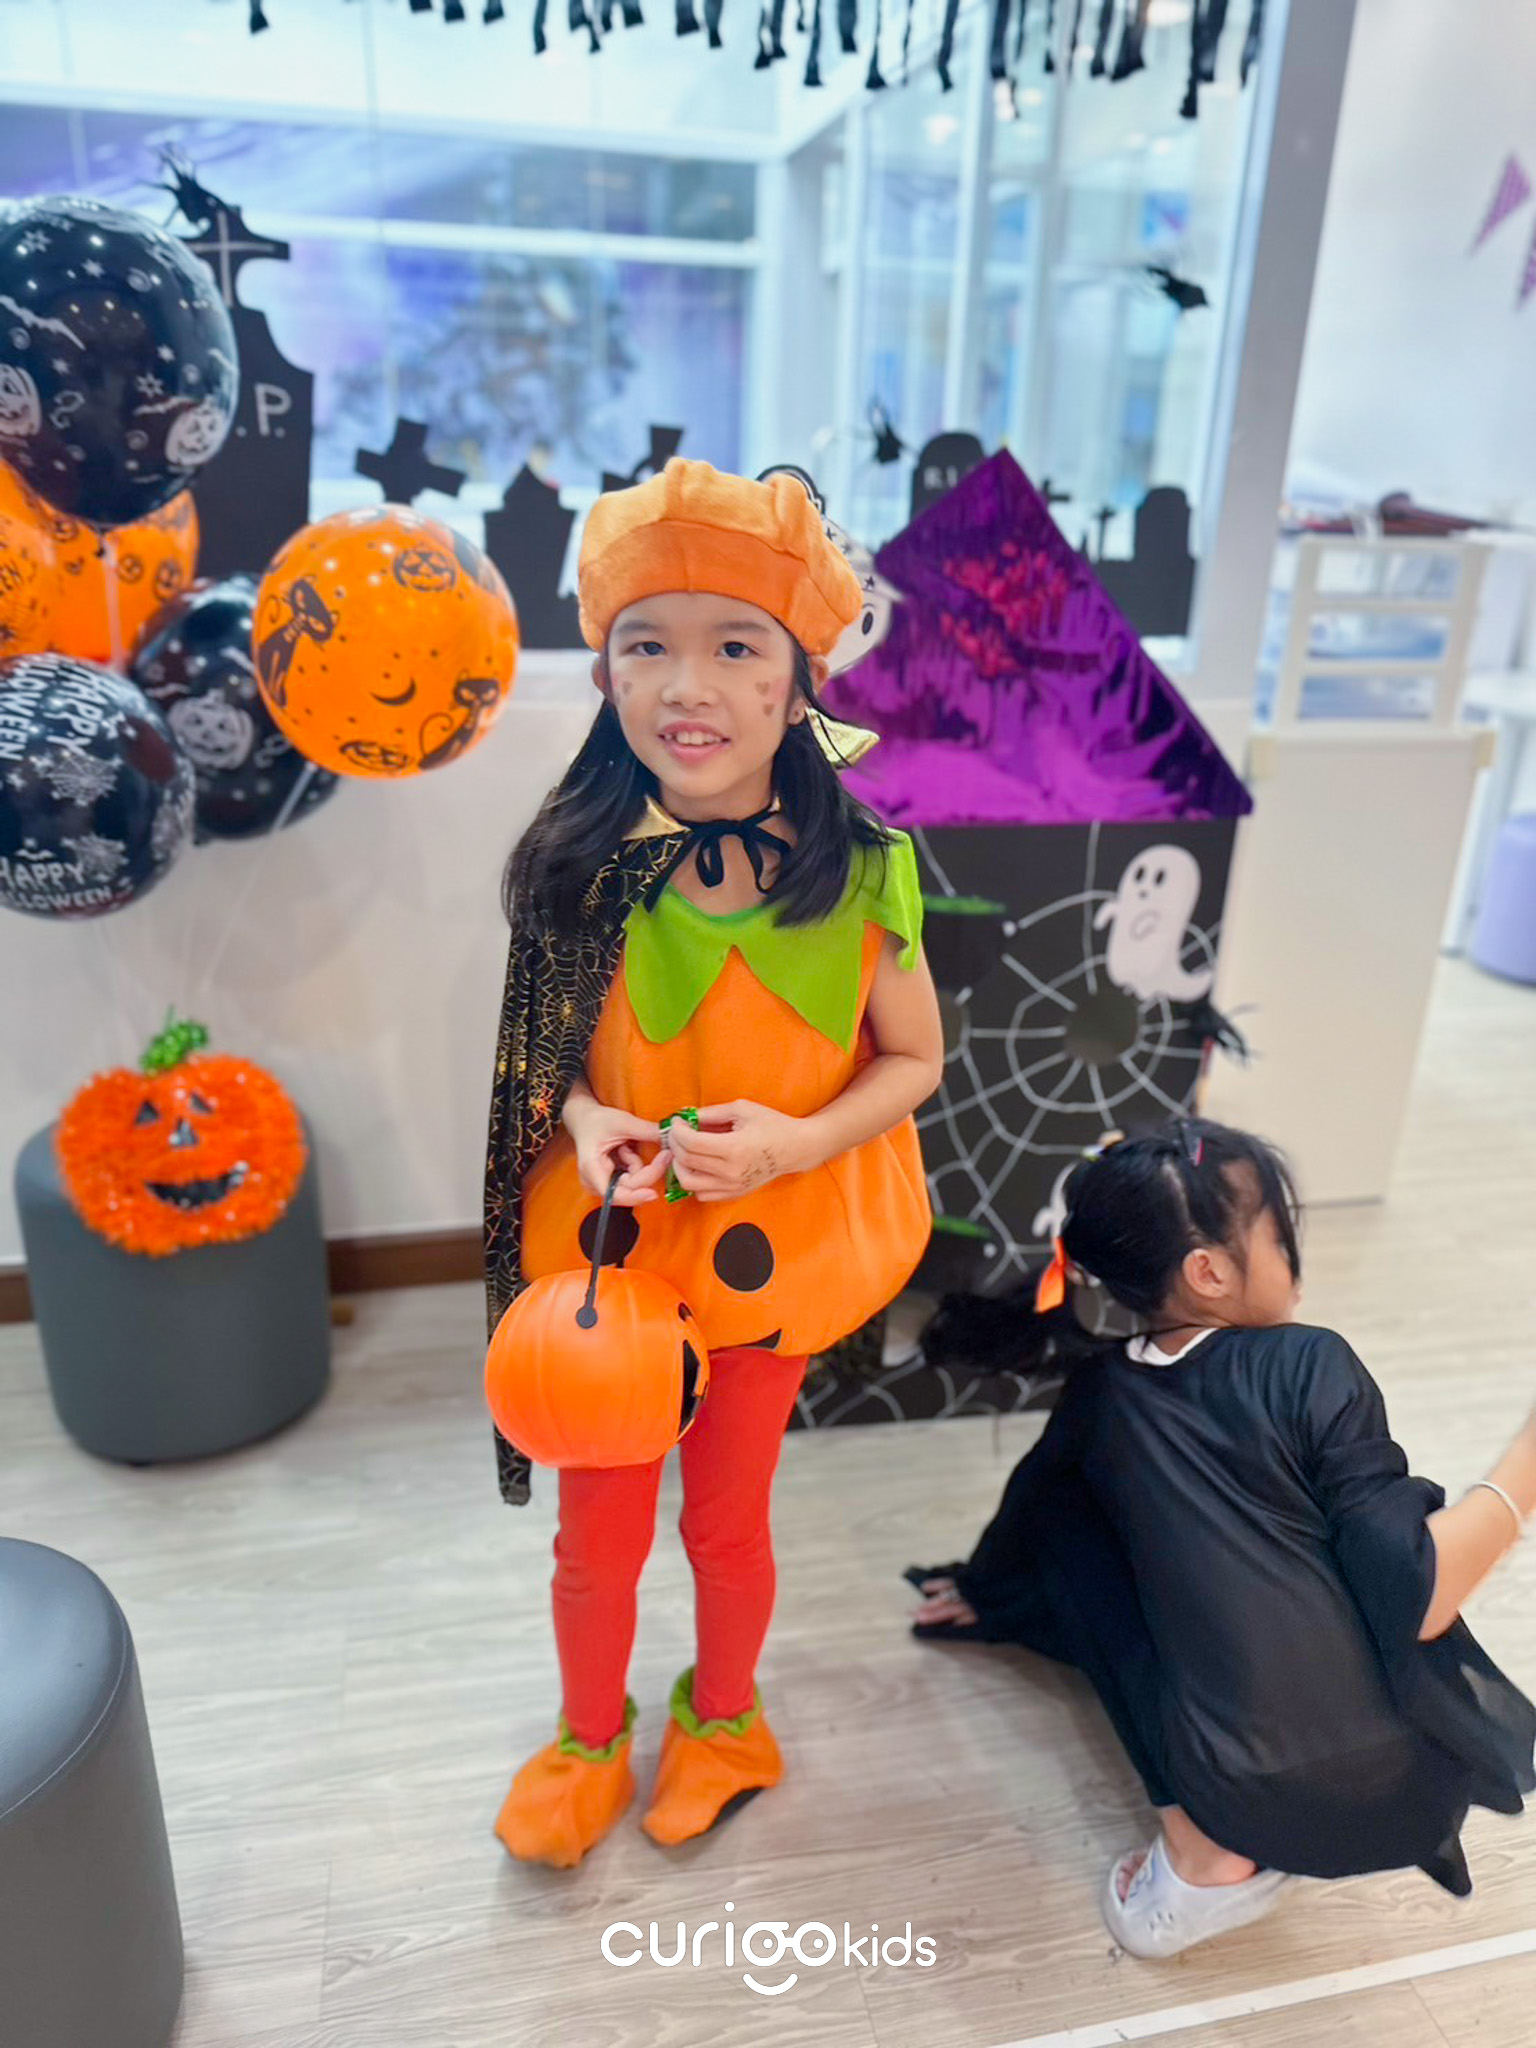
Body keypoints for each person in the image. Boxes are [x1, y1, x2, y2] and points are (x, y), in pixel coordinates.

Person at [484, 459, 943, 1869]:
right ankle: (587, 1737)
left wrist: (798, 1140)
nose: (688, 687)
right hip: (617, 1267)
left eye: (736, 647)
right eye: (647, 647)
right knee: (595, 1537)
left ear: (799, 685)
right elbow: (540, 1064)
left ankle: (727, 1721)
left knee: (729, 1523)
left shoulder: (861, 861)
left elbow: (913, 1060)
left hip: (769, 1259)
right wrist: (580, 1121)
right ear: (605, 673)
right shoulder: (579, 857)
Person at [907, 1119, 1536, 1958]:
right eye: (1279, 1233)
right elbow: (1418, 1594)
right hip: (1386, 1784)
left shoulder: (1102, 1393)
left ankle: (1205, 1855)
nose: (1294, 1252)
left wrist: (987, 1591)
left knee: (1066, 1520)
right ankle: (1209, 1860)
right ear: (1208, 1272)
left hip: (1228, 1789)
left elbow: (1033, 1507)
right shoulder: (1312, 1363)